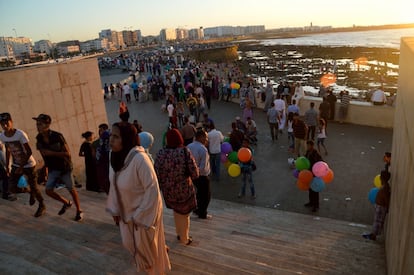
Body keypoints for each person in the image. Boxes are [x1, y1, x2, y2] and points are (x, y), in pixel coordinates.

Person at [106, 122, 171, 274]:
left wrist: (140, 217)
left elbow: (153, 190)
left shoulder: (140, 159)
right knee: (130, 244)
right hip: (125, 213)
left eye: (116, 136)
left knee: (146, 253)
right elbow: (113, 183)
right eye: (111, 135)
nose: (111, 140)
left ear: (127, 139)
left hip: (143, 215)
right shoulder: (113, 156)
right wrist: (115, 209)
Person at [33, 114, 83, 221]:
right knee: (48, 191)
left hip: (64, 167)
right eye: (37, 124)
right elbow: (44, 155)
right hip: (52, 168)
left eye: (40, 124)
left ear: (47, 125)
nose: (38, 126)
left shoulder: (57, 136)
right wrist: (45, 169)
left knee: (71, 189)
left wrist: (51, 153)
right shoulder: (39, 138)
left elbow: (67, 153)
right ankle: (67, 203)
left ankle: (79, 210)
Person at [154, 129, 199, 245]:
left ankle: (179, 233)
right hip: (183, 190)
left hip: (168, 191)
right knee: (184, 214)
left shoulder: (160, 153)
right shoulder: (184, 151)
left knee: (176, 211)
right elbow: (195, 173)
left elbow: (156, 174)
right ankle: (184, 238)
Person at [0, 113, 46, 217]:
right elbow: (7, 149)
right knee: (11, 188)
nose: (5, 126)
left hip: (29, 165)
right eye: (2, 124)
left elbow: (28, 152)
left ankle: (42, 205)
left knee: (35, 187)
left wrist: (21, 167)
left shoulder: (20, 134)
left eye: (6, 123)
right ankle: (29, 191)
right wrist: (7, 165)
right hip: (16, 164)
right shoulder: (2, 136)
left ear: (11, 122)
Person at [187, 130, 212, 219]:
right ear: (200, 137)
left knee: (198, 194)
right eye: (205, 137)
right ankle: (202, 213)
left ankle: (197, 209)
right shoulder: (202, 149)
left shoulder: (189, 146)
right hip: (202, 176)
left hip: (191, 175)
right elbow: (203, 166)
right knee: (206, 195)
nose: (207, 140)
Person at [363, 170, 391, 241]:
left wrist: (387, 207)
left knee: (378, 222)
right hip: (379, 206)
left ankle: (373, 236)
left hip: (381, 207)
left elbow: (386, 198)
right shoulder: (384, 186)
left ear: (382, 178)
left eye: (381, 177)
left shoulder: (385, 187)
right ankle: (372, 234)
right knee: (376, 221)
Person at [304, 140, 323, 212]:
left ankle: (316, 205)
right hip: (309, 174)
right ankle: (311, 202)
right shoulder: (308, 152)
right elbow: (305, 160)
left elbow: (321, 162)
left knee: (315, 190)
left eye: (308, 145)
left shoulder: (315, 153)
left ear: (312, 146)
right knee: (310, 190)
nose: (307, 147)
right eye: (307, 145)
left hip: (315, 175)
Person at [93, 123, 111, 194]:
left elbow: (101, 149)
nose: (100, 132)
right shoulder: (111, 134)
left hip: (104, 159)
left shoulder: (104, 136)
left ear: (104, 129)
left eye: (100, 130)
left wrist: (98, 158)